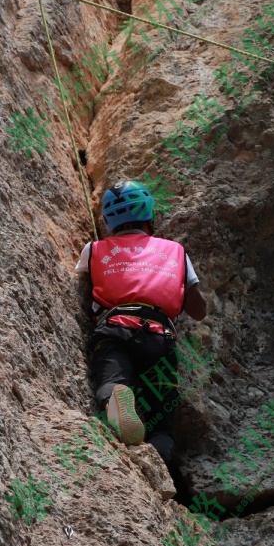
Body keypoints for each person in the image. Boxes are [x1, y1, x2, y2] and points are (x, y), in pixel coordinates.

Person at [75, 180, 207, 480]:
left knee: (112, 381)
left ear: (109, 222)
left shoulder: (94, 250)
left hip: (115, 329)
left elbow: (81, 283)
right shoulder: (175, 251)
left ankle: (115, 398)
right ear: (149, 214)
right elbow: (198, 310)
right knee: (162, 420)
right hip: (159, 336)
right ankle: (159, 471)